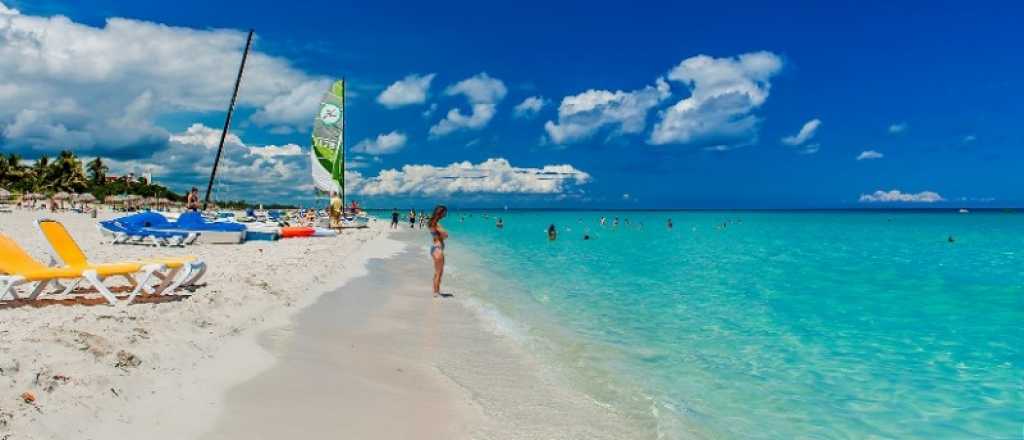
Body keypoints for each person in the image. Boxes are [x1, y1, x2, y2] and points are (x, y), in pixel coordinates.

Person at [428, 205, 449, 298]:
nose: (446, 214)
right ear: (440, 213)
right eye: (445, 212)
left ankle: (436, 290)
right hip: (438, 249)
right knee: (439, 272)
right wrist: (444, 234)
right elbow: (445, 235)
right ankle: (436, 292)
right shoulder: (436, 224)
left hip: (434, 247)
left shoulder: (432, 223)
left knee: (437, 271)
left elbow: (436, 235)